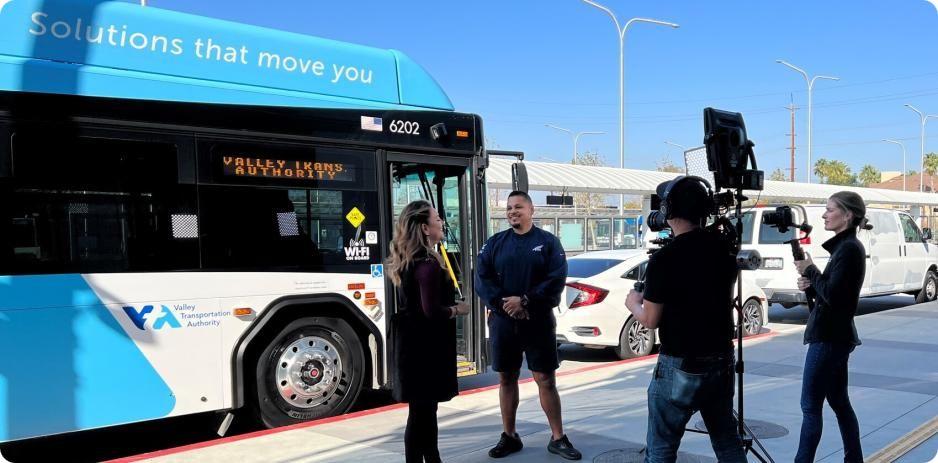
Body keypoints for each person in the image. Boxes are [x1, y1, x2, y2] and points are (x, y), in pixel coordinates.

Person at [625, 177, 748, 462]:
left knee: (662, 447)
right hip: (721, 360)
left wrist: (633, 303)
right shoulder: (725, 251)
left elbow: (651, 319)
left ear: (669, 210)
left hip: (680, 364)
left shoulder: (664, 260)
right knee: (727, 440)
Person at [475, 190, 581, 461]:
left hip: (538, 323)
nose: (512, 211)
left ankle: (558, 437)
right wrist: (504, 304)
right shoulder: (494, 243)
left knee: (545, 379)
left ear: (531, 210)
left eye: (518, 206)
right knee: (506, 377)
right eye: (509, 208)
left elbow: (556, 280)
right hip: (503, 322)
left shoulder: (548, 243)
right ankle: (509, 436)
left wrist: (525, 301)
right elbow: (482, 279)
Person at [388, 200, 470, 463]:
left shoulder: (407, 261)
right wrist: (459, 310)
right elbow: (431, 311)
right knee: (424, 412)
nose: (441, 222)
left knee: (420, 412)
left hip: (411, 346)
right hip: (425, 349)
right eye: (437, 219)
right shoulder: (427, 264)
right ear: (424, 227)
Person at [792, 192, 866, 463]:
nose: (824, 215)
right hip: (837, 336)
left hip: (829, 338)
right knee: (839, 403)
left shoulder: (848, 249)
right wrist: (812, 281)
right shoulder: (848, 247)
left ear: (847, 215)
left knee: (810, 407)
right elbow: (833, 292)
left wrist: (811, 270)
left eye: (830, 209)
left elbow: (835, 299)